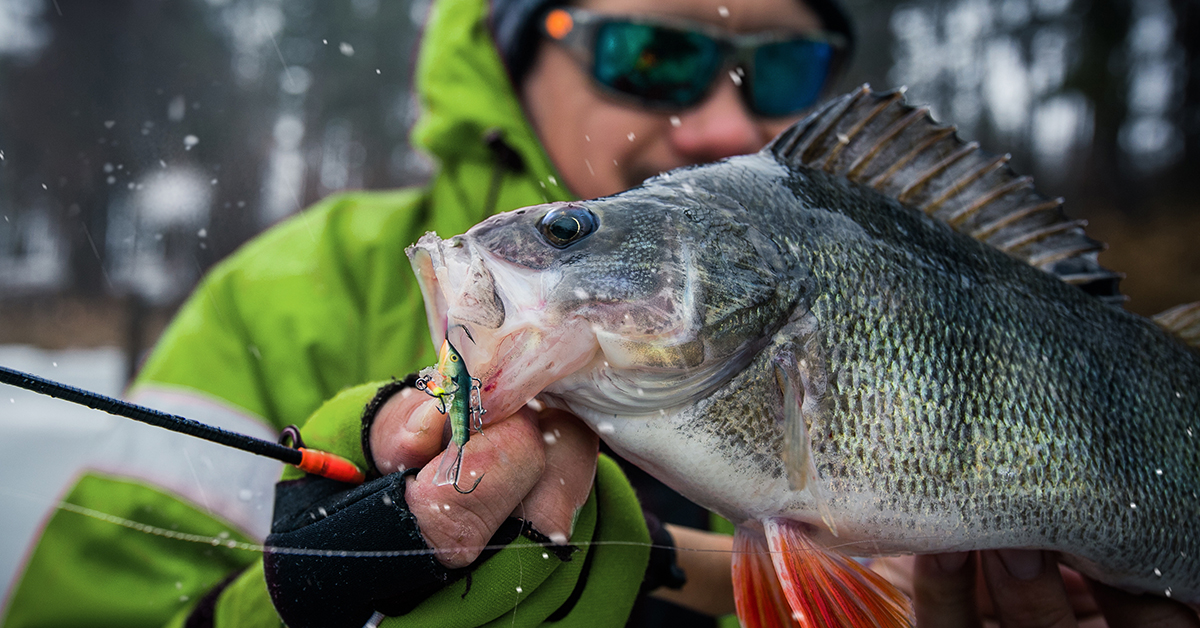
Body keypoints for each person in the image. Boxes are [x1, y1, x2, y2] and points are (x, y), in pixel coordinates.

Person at [4, 0, 1197, 625]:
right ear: (515, 52)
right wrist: (301, 604)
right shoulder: (289, 295)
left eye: (778, 71)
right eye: (652, 54)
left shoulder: (858, 247)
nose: (725, 121)